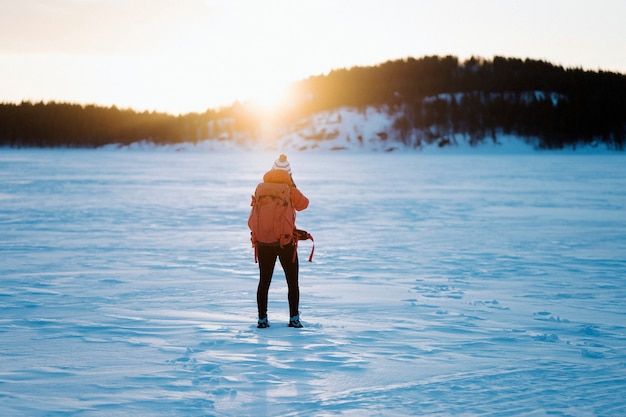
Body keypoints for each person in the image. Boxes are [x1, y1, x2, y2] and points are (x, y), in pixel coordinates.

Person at [254, 154, 309, 329]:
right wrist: (292, 185)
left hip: (263, 242)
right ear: (289, 174)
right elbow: (304, 204)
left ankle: (262, 319)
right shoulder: (290, 189)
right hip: (286, 243)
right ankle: (294, 319)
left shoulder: (261, 189)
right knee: (292, 282)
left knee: (264, 281)